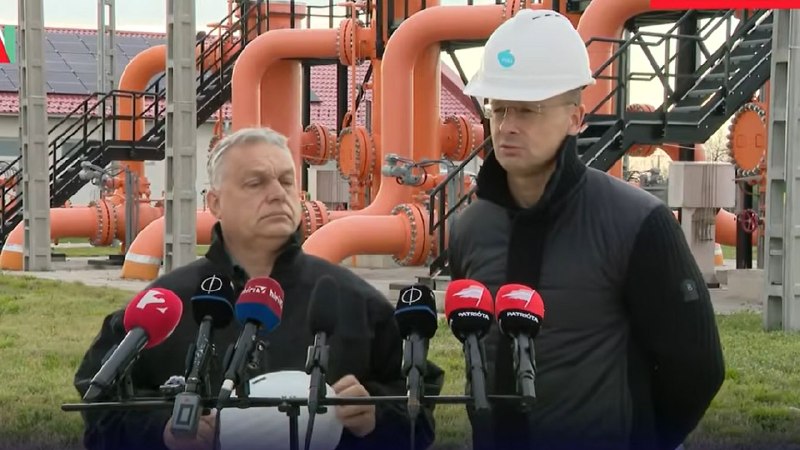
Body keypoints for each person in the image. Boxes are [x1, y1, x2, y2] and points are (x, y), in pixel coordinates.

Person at [447, 9, 725, 450]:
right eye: (498, 108)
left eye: (528, 109)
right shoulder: (471, 229)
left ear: (576, 118)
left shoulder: (637, 224)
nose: (507, 126)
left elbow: (697, 369)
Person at [74, 127, 444, 450]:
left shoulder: (356, 301)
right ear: (215, 202)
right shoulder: (163, 305)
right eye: (256, 183)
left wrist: (378, 417)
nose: (277, 193)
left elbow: (418, 416)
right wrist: (162, 432)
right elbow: (101, 413)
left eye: (286, 181)